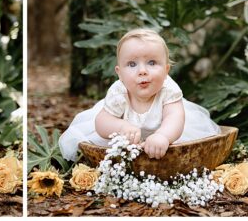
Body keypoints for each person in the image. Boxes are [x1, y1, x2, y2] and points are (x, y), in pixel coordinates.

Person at [59, 28, 218, 161]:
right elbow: (101, 122)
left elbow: (175, 118)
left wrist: (163, 136)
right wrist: (121, 127)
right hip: (126, 133)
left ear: (166, 70)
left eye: (152, 63)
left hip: (165, 132)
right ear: (119, 74)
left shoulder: (168, 90)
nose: (142, 71)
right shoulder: (119, 91)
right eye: (132, 64)